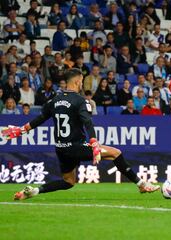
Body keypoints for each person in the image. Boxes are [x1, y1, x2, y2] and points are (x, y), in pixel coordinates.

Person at [2, 68, 159, 201]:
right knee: (116, 153)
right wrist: (94, 143)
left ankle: (33, 191)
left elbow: (40, 119)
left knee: (68, 181)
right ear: (77, 82)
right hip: (76, 146)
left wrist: (21, 130)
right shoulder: (80, 101)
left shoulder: (54, 100)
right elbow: (87, 122)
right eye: (82, 80)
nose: (82, 84)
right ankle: (142, 185)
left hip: (61, 149)